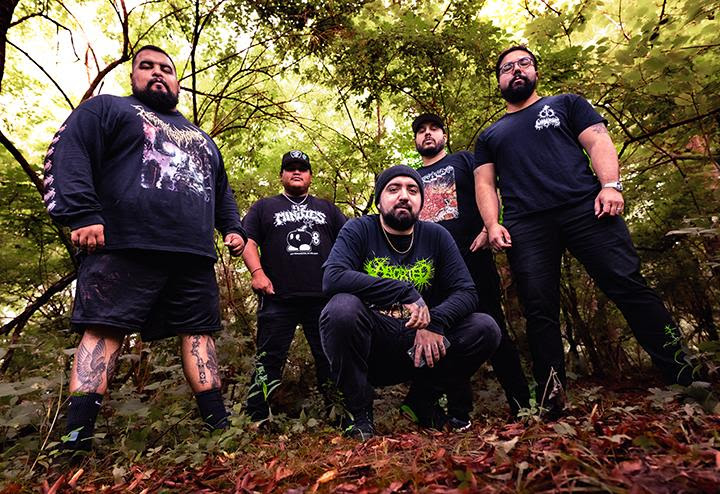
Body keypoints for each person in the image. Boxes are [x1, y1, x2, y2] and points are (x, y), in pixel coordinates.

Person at [43, 45, 246, 452]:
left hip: (192, 253)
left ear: (176, 81)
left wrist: (232, 227)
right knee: (103, 329)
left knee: (199, 334)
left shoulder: (201, 137)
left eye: (166, 68)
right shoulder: (109, 109)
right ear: (133, 75)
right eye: (146, 66)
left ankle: (220, 432)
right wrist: (82, 213)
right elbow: (69, 151)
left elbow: (219, 187)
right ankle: (74, 443)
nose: (157, 73)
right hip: (125, 243)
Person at [473, 45, 692, 416]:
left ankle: (685, 376)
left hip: (586, 208)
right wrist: (493, 224)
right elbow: (484, 183)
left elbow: (597, 140)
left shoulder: (566, 104)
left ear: (535, 71)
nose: (517, 70)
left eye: (524, 63)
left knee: (628, 285)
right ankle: (551, 400)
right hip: (527, 224)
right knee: (539, 310)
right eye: (507, 67)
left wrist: (611, 185)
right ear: (499, 81)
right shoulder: (490, 135)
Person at [320, 165, 501, 439]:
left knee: (484, 328)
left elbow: (466, 291)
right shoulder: (359, 229)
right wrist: (403, 291)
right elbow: (332, 277)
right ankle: (359, 414)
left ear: (421, 201)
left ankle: (421, 401)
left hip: (421, 346)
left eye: (413, 190)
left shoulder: (436, 236)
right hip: (373, 345)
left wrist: (435, 322)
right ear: (379, 200)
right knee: (341, 309)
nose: (404, 196)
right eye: (394, 189)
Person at [412, 113, 531, 418]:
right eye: (421, 131)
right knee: (445, 338)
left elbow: (489, 188)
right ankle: (457, 413)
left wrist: (488, 227)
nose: (428, 134)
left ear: (444, 135)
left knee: (495, 328)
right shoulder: (411, 178)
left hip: (472, 259)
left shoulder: (463, 161)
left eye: (434, 128)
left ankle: (522, 406)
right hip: (431, 272)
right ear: (415, 140)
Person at [241, 150, 346, 421]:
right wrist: (257, 273)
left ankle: (340, 415)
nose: (296, 172)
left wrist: (345, 280)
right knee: (268, 359)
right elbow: (248, 241)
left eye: (302, 168)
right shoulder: (264, 207)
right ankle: (255, 418)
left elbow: (350, 242)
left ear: (310, 176)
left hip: (322, 298)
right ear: (281, 176)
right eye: (290, 168)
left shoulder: (328, 209)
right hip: (277, 297)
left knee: (329, 357)